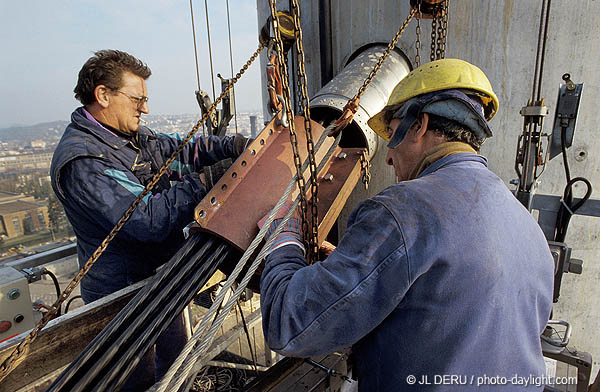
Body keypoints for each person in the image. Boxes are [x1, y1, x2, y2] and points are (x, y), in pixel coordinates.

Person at [259, 59, 554, 391]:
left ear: (420, 125)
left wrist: (284, 238)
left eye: (392, 137)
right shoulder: (526, 225)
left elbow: (290, 323)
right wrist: (360, 265)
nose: (388, 156)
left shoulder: (403, 209)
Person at [50, 49, 249, 390]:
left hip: (158, 277)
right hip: (120, 292)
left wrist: (232, 146)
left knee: (175, 363)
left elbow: (184, 150)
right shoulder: (84, 162)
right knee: (135, 377)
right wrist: (204, 181)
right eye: (137, 99)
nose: (145, 108)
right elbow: (146, 220)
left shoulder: (129, 137)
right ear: (103, 95)